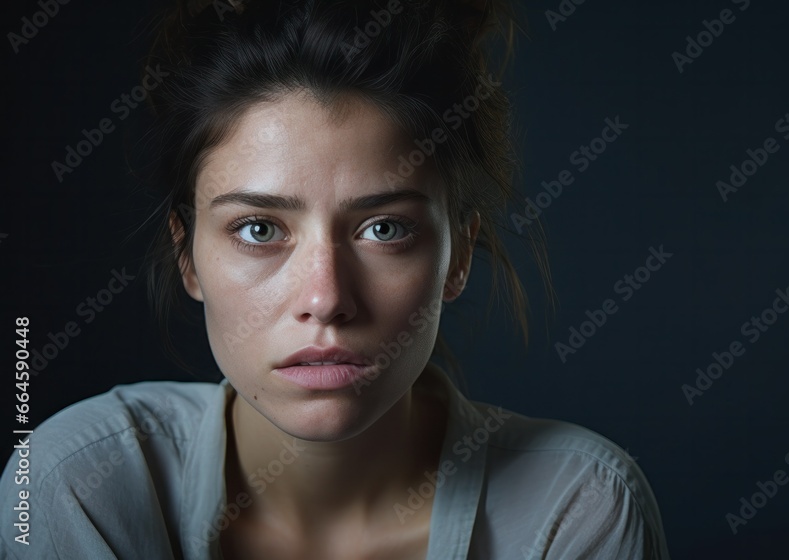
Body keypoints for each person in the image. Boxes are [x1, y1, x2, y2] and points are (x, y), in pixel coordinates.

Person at [0, 0, 669, 558]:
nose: (326, 299)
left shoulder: (575, 511)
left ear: (457, 257)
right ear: (188, 255)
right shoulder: (75, 486)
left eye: (384, 229)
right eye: (259, 229)